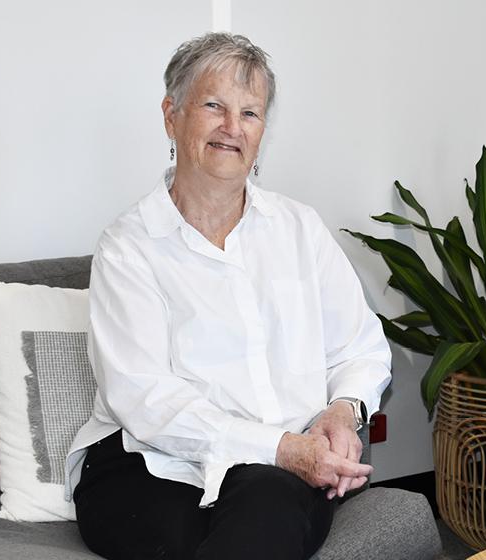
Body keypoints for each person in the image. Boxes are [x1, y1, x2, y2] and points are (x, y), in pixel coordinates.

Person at [63, 32, 391, 560]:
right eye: (213, 106)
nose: (232, 129)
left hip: (277, 474)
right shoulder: (129, 246)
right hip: (146, 465)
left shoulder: (300, 229)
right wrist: (280, 448)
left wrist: (342, 410)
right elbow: (145, 399)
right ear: (172, 116)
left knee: (267, 504)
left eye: (250, 113)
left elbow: (361, 349)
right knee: (265, 516)